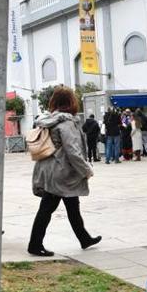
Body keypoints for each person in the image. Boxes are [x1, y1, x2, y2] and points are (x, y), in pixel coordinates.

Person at [29, 86, 101, 256]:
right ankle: (34, 244)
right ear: (71, 103)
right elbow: (73, 151)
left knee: (72, 206)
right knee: (47, 209)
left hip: (50, 170)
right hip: (62, 173)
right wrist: (86, 170)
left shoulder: (49, 120)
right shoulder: (66, 123)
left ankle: (84, 238)